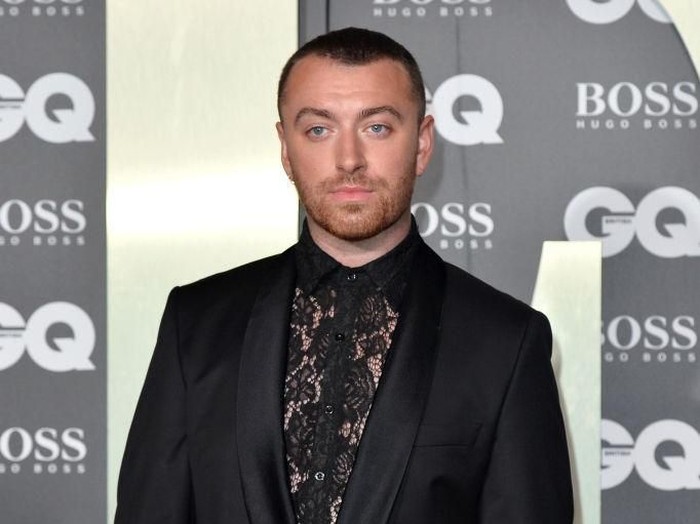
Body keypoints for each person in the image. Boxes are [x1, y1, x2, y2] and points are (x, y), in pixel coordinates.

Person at [115, 27, 573, 524]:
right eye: (318, 129)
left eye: (376, 127)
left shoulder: (506, 342)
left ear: (421, 144)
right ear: (285, 148)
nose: (349, 160)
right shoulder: (198, 325)